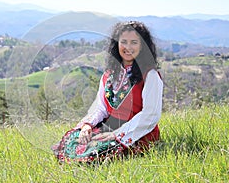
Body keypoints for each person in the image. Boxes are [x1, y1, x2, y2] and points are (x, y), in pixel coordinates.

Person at [52, 21, 163, 164]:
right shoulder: (109, 75)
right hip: (109, 126)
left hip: (136, 133)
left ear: (143, 46)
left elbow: (150, 114)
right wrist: (87, 125)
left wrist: (117, 135)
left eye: (134, 42)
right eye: (124, 42)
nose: (128, 47)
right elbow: (101, 108)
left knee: (96, 154)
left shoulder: (150, 75)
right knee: (74, 139)